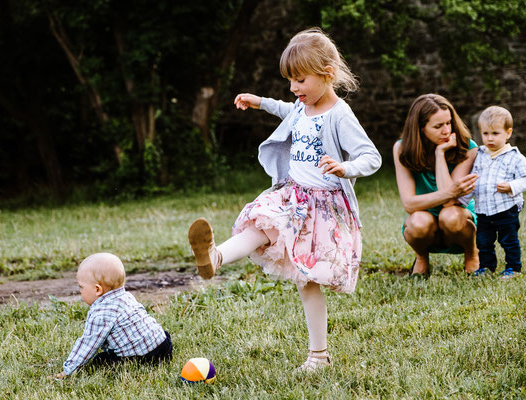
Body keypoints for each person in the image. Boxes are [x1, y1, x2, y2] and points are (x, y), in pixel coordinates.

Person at [187, 27, 381, 371]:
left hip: (324, 208)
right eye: (290, 80)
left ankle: (318, 356)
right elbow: (285, 109)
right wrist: (258, 101)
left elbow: (372, 156)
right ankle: (215, 257)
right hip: (291, 196)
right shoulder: (301, 106)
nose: (294, 88)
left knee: (308, 282)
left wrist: (345, 167)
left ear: (327, 75)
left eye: (300, 80)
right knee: (259, 221)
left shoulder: (338, 114)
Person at [393, 94, 480, 277]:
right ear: (421, 128)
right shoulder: (402, 149)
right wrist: (450, 192)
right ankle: (422, 257)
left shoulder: (468, 147)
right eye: (438, 126)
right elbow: (409, 204)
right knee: (417, 222)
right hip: (425, 216)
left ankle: (472, 253)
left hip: (458, 217)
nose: (447, 131)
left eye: (449, 123)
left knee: (450, 215)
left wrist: (440, 154)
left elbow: (450, 202)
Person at [52, 253, 172, 379]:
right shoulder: (127, 296)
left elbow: (88, 344)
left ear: (97, 289)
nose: (80, 291)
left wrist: (68, 370)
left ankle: (138, 361)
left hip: (143, 357)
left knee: (101, 360)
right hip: (164, 345)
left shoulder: (101, 313)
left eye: (81, 287)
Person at [463, 106, 526, 279]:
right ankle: (486, 267)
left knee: (508, 240)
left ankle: (513, 268)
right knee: (483, 241)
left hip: (506, 208)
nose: (489, 138)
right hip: (483, 209)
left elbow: (525, 178)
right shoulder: (480, 154)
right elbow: (472, 180)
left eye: (495, 133)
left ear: (508, 133)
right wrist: (462, 200)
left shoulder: (515, 157)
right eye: (485, 133)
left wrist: (512, 186)